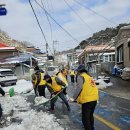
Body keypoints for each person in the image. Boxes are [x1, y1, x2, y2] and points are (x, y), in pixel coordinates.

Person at [73, 64, 99, 130]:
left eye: (77, 71)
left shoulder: (81, 77)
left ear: (79, 71)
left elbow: (79, 88)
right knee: (90, 116)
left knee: (85, 118)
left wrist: (74, 98)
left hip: (87, 100)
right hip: (94, 99)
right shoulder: (89, 77)